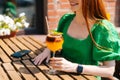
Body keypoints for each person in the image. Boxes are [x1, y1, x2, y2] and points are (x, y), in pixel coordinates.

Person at [33, 0, 120, 80]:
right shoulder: (66, 20)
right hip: (61, 75)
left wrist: (74, 67)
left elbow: (109, 70)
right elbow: (56, 39)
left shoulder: (103, 29)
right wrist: (48, 49)